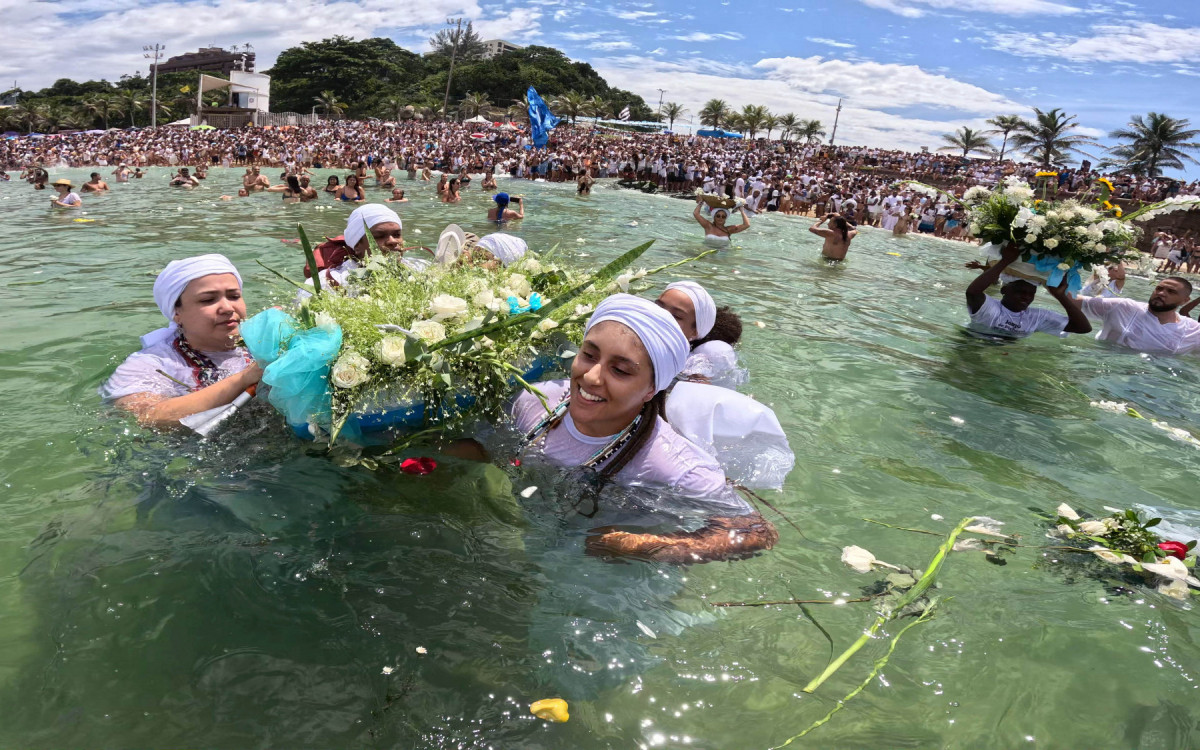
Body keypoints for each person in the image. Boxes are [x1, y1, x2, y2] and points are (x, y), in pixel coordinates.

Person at [511, 294, 778, 563]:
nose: (591, 377)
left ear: (652, 388)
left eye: (621, 370)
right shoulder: (535, 402)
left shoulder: (677, 468)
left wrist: (637, 545)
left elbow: (756, 532)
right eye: (589, 355)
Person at [99, 254, 261, 428]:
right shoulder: (150, 364)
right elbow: (145, 416)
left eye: (234, 296)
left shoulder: (263, 340)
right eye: (208, 300)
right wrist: (243, 379)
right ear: (177, 312)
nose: (228, 308)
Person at [964, 243, 1091, 339]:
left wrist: (1060, 296)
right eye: (1020, 291)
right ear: (1004, 290)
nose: (1026, 297)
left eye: (1031, 293)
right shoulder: (990, 308)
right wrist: (1005, 261)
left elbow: (1083, 328)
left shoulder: (1036, 317)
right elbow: (972, 292)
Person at [1079, 277, 1200, 355]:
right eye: (1159, 288)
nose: (1161, 293)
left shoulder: (1193, 330)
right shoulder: (1124, 307)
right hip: (1103, 364)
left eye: (1171, 291)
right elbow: (1076, 301)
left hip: (1153, 383)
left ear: (1185, 300)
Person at [656, 281, 744, 387]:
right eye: (658, 306)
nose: (661, 315)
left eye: (677, 316)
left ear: (694, 332)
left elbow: (699, 396)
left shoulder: (692, 366)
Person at [303, 204, 412, 289]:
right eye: (379, 236)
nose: (393, 241)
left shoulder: (417, 270)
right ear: (357, 245)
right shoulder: (325, 284)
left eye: (397, 235)